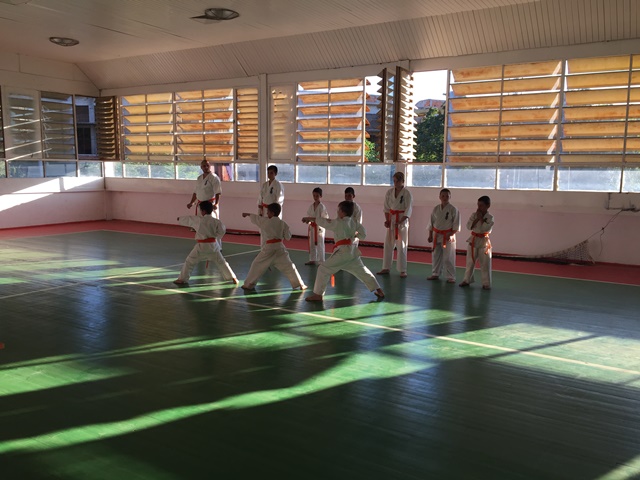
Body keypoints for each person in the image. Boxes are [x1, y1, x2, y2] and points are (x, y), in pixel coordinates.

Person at [303, 201, 384, 302]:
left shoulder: (338, 222)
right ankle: (379, 290)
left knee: (323, 269)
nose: (337, 212)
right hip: (352, 252)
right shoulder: (354, 222)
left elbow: (324, 222)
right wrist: (354, 235)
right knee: (363, 271)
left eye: (338, 210)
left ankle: (318, 295)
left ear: (342, 212)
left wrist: (310, 218)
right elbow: (363, 234)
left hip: (342, 253)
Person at [241, 203, 306, 291]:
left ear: (272, 213)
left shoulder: (266, 221)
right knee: (289, 266)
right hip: (280, 248)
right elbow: (288, 237)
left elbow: (257, 219)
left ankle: (249, 284)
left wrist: (247, 214)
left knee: (256, 264)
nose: (267, 213)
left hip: (269, 248)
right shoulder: (283, 224)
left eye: (268, 212)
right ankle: (300, 284)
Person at [173, 201, 237, 285]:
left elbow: (189, 219)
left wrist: (179, 219)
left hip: (201, 247)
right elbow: (222, 231)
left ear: (203, 211)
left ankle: (182, 279)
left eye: (200, 210)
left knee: (189, 261)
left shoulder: (199, 220)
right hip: (213, 246)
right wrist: (216, 236)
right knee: (222, 262)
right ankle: (233, 278)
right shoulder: (216, 221)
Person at [377, 172, 413, 278]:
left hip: (402, 221)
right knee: (388, 244)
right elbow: (386, 208)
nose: (395, 183)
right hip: (392, 220)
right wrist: (387, 220)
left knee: (402, 245)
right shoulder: (389, 192)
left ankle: (403, 270)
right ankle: (386, 267)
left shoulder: (407, 193)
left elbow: (408, 209)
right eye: (394, 181)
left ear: (403, 181)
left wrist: (401, 221)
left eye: (397, 181)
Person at [459, 196, 494, 290]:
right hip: (473, 240)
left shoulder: (490, 218)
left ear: (488, 206)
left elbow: (485, 228)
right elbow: (468, 226)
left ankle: (486, 283)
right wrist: (477, 219)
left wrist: (481, 219)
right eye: (478, 205)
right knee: (470, 262)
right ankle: (466, 280)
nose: (479, 207)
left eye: (481, 205)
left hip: (484, 241)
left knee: (485, 263)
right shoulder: (474, 215)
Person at [427, 188, 461, 283]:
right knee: (436, 255)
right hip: (436, 235)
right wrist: (430, 235)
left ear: (450, 197)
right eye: (443, 196)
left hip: (448, 235)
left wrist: (451, 234)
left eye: (447, 196)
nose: (445, 198)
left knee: (448, 257)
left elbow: (456, 225)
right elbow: (431, 223)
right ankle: (435, 273)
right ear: (439, 197)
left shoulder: (453, 209)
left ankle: (451, 276)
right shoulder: (436, 208)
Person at [187, 159, 222, 247]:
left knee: (213, 225)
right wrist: (191, 202)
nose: (206, 167)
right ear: (201, 167)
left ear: (210, 166)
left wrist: (216, 204)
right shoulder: (199, 178)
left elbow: (218, 192)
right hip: (200, 205)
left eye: (207, 165)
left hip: (210, 205)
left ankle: (217, 246)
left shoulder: (214, 177)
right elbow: (195, 192)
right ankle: (203, 244)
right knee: (201, 225)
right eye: (204, 166)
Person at [257, 165, 285, 246]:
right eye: (268, 173)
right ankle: (263, 248)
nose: (269, 174)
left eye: (271, 173)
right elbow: (260, 197)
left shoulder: (278, 185)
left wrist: (274, 211)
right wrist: (260, 206)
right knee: (263, 228)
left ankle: (274, 248)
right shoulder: (264, 185)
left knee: (273, 230)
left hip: (273, 211)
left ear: (275, 174)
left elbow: (279, 199)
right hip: (264, 210)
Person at [303, 187, 329, 265]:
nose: (315, 197)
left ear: (321, 196)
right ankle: (312, 259)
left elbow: (324, 218)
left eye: (317, 195)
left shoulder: (322, 207)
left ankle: (321, 261)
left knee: (320, 244)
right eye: (314, 195)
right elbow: (309, 215)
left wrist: (311, 219)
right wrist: (307, 220)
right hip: (312, 227)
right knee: (312, 244)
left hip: (319, 228)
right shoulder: (311, 206)